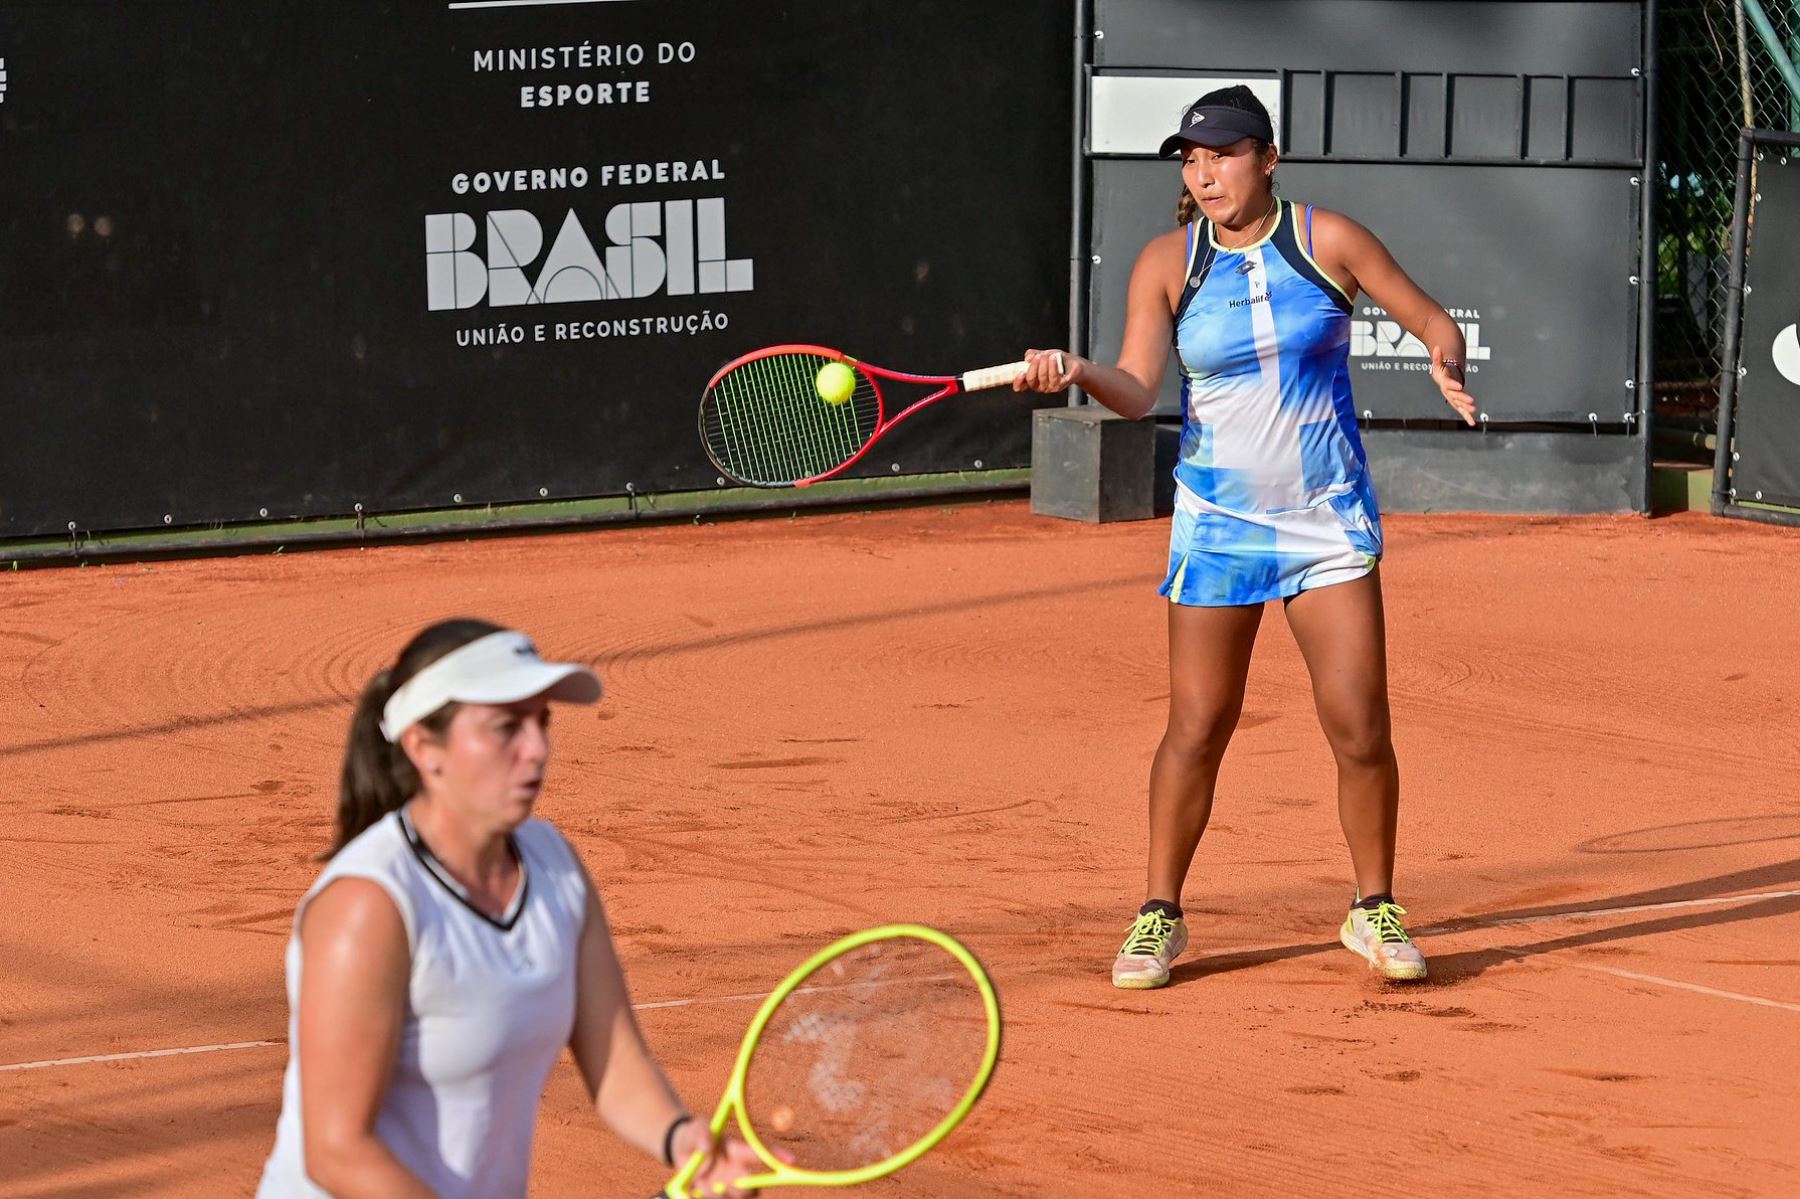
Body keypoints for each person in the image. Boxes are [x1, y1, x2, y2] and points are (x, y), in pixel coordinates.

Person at [1016, 86, 1478, 989]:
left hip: (1326, 521)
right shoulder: (1168, 261)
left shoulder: (1327, 240)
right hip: (1218, 523)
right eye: (1192, 158)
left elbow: (1431, 318)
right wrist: (1076, 371)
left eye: (1222, 154)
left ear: (1267, 158)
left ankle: (1372, 907)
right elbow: (1138, 388)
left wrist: (1444, 356)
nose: (1205, 171)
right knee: (1198, 723)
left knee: (1359, 723)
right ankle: (1159, 914)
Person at [257, 619, 759, 1197]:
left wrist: (680, 1140)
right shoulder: (369, 905)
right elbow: (338, 1152)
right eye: (506, 728)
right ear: (424, 747)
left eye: (541, 722)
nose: (537, 748)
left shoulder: (555, 866)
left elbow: (615, 1056)